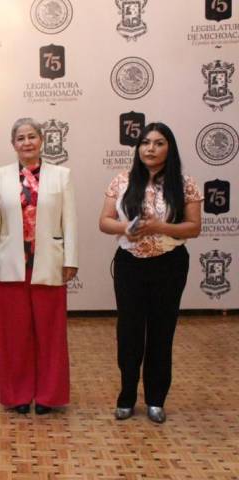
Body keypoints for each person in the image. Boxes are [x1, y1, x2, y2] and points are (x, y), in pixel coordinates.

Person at [99, 122, 202, 423]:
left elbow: (193, 228)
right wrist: (125, 228)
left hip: (170, 264)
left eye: (158, 143)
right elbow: (104, 221)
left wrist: (160, 227)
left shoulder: (185, 184)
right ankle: (127, 396)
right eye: (145, 143)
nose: (150, 149)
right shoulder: (122, 180)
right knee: (129, 332)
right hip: (130, 264)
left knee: (162, 331)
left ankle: (156, 399)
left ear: (170, 148)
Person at [0, 118, 78, 415]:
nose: (27, 142)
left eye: (32, 136)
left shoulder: (62, 176)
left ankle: (49, 396)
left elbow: (69, 221)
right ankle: (19, 395)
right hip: (11, 266)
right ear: (13, 144)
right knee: (15, 335)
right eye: (21, 138)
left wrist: (71, 259)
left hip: (49, 263)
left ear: (42, 140)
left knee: (51, 334)